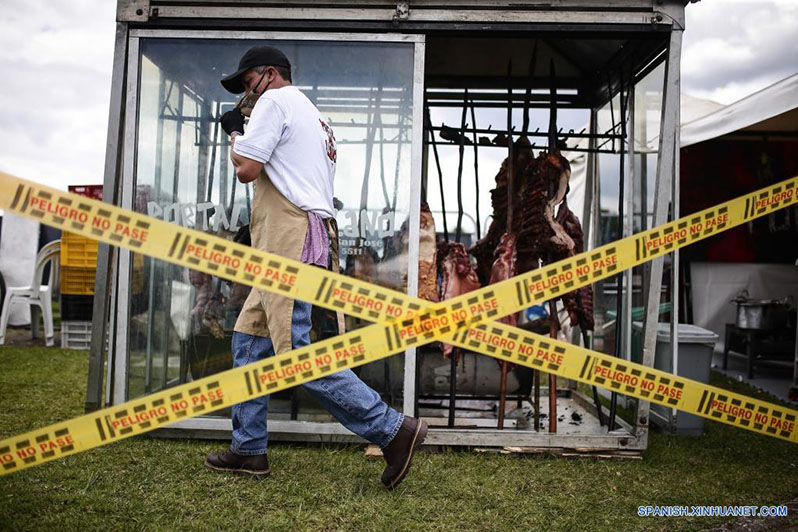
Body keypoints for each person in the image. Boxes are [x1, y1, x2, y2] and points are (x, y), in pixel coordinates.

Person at [204, 45, 427, 489]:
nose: (245, 96)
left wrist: (234, 136)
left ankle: (392, 429)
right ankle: (249, 449)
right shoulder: (312, 113)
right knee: (249, 340)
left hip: (289, 236)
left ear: (269, 75)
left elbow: (247, 168)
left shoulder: (274, 101)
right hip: (304, 232)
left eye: (247, 84)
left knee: (296, 355)